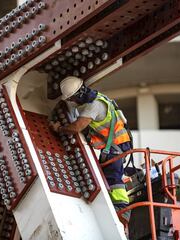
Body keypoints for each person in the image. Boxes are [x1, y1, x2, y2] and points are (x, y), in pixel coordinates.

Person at [49, 76, 132, 221]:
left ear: (78, 95)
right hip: (117, 145)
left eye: (71, 98)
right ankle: (119, 206)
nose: (72, 102)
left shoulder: (94, 105)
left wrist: (59, 128)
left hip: (116, 146)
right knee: (109, 174)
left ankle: (122, 208)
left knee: (113, 177)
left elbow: (76, 127)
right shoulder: (100, 98)